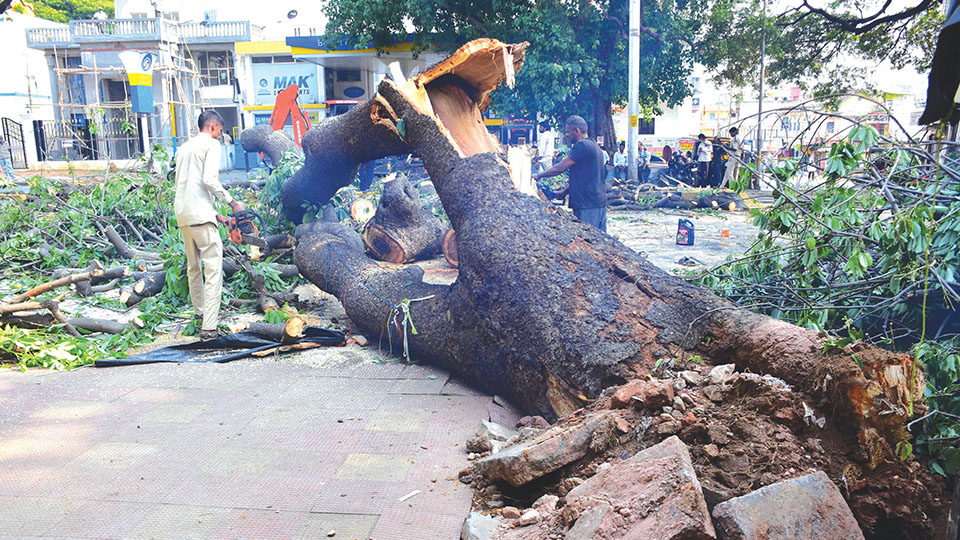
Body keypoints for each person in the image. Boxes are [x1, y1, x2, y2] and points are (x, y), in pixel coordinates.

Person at [173, 110, 244, 340]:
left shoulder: (184, 148)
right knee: (213, 270)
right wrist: (232, 203)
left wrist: (216, 214)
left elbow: (187, 185)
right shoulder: (212, 146)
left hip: (184, 214)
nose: (219, 136)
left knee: (194, 268)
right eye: (220, 131)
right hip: (200, 216)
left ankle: (199, 315)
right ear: (213, 127)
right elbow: (208, 181)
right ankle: (209, 327)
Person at [532, 115, 607, 232]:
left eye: (568, 131)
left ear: (577, 131)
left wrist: (538, 175)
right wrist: (564, 192)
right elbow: (587, 178)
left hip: (587, 204)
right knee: (601, 243)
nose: (566, 135)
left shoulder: (581, 146)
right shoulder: (594, 145)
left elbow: (559, 168)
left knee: (588, 239)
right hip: (597, 202)